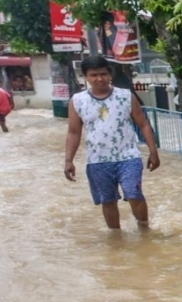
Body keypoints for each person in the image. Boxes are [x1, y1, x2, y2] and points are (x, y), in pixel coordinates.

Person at [64, 56, 161, 230]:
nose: (99, 79)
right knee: (107, 200)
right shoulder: (77, 101)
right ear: (86, 77)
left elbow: (143, 124)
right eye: (94, 75)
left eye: (103, 74)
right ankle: (116, 237)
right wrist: (68, 160)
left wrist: (153, 151)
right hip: (97, 160)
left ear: (110, 75)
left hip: (129, 156)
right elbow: (73, 132)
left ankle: (145, 229)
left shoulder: (125, 96)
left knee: (134, 194)